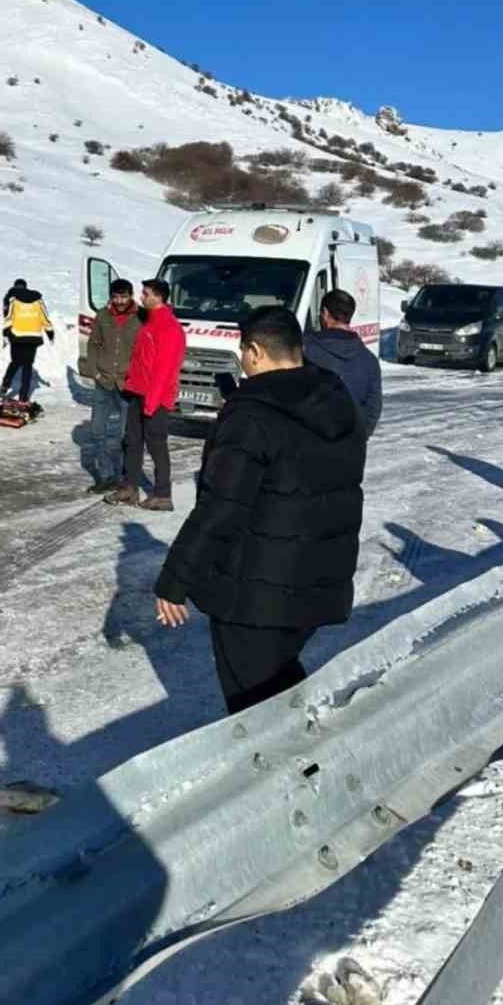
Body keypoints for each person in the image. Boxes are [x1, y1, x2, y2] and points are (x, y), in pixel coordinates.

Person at [153, 306, 366, 714]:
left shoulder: (252, 414)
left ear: (253, 352)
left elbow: (221, 506)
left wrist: (175, 580)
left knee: (254, 706)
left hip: (257, 591)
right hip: (318, 579)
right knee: (280, 685)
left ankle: (287, 770)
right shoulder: (334, 396)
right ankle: (313, 754)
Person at [107, 277, 186, 511]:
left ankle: (163, 494)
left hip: (156, 397)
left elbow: (164, 369)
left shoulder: (169, 327)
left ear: (158, 297)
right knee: (131, 442)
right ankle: (129, 488)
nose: (141, 297)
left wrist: (152, 402)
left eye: (145, 293)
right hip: (138, 392)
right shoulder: (150, 322)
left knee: (156, 445)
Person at [79, 278, 139, 493]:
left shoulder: (140, 318)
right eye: (116, 297)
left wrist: (137, 376)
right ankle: (106, 476)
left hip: (126, 384)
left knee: (124, 435)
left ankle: (124, 477)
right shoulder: (103, 316)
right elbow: (93, 343)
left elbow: (145, 351)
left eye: (124, 296)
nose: (120, 301)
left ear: (131, 296)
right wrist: (94, 370)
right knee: (97, 431)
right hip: (103, 382)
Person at [303, 289, 383, 438]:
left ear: (325, 313)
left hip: (309, 444)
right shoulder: (369, 360)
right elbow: (373, 407)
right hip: (350, 449)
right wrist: (357, 439)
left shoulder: (307, 350)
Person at [0, 282, 54, 401]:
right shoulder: (38, 301)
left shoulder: (13, 299)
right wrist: (50, 334)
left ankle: (5, 385)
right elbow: (44, 319)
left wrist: (5, 334)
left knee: (15, 362)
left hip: (17, 336)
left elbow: (8, 318)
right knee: (27, 366)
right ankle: (23, 397)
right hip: (33, 338)